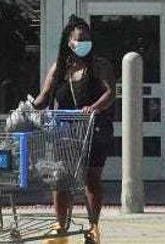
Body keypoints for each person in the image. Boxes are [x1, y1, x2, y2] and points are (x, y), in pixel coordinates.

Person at [31, 16, 115, 244]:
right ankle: (60, 227)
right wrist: (29, 108)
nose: (84, 43)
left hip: (94, 128)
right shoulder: (60, 67)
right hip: (65, 130)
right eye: (79, 39)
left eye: (87, 39)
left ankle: (93, 227)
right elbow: (44, 96)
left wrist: (93, 108)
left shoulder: (99, 65)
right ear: (69, 42)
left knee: (91, 178)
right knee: (61, 178)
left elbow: (110, 93)